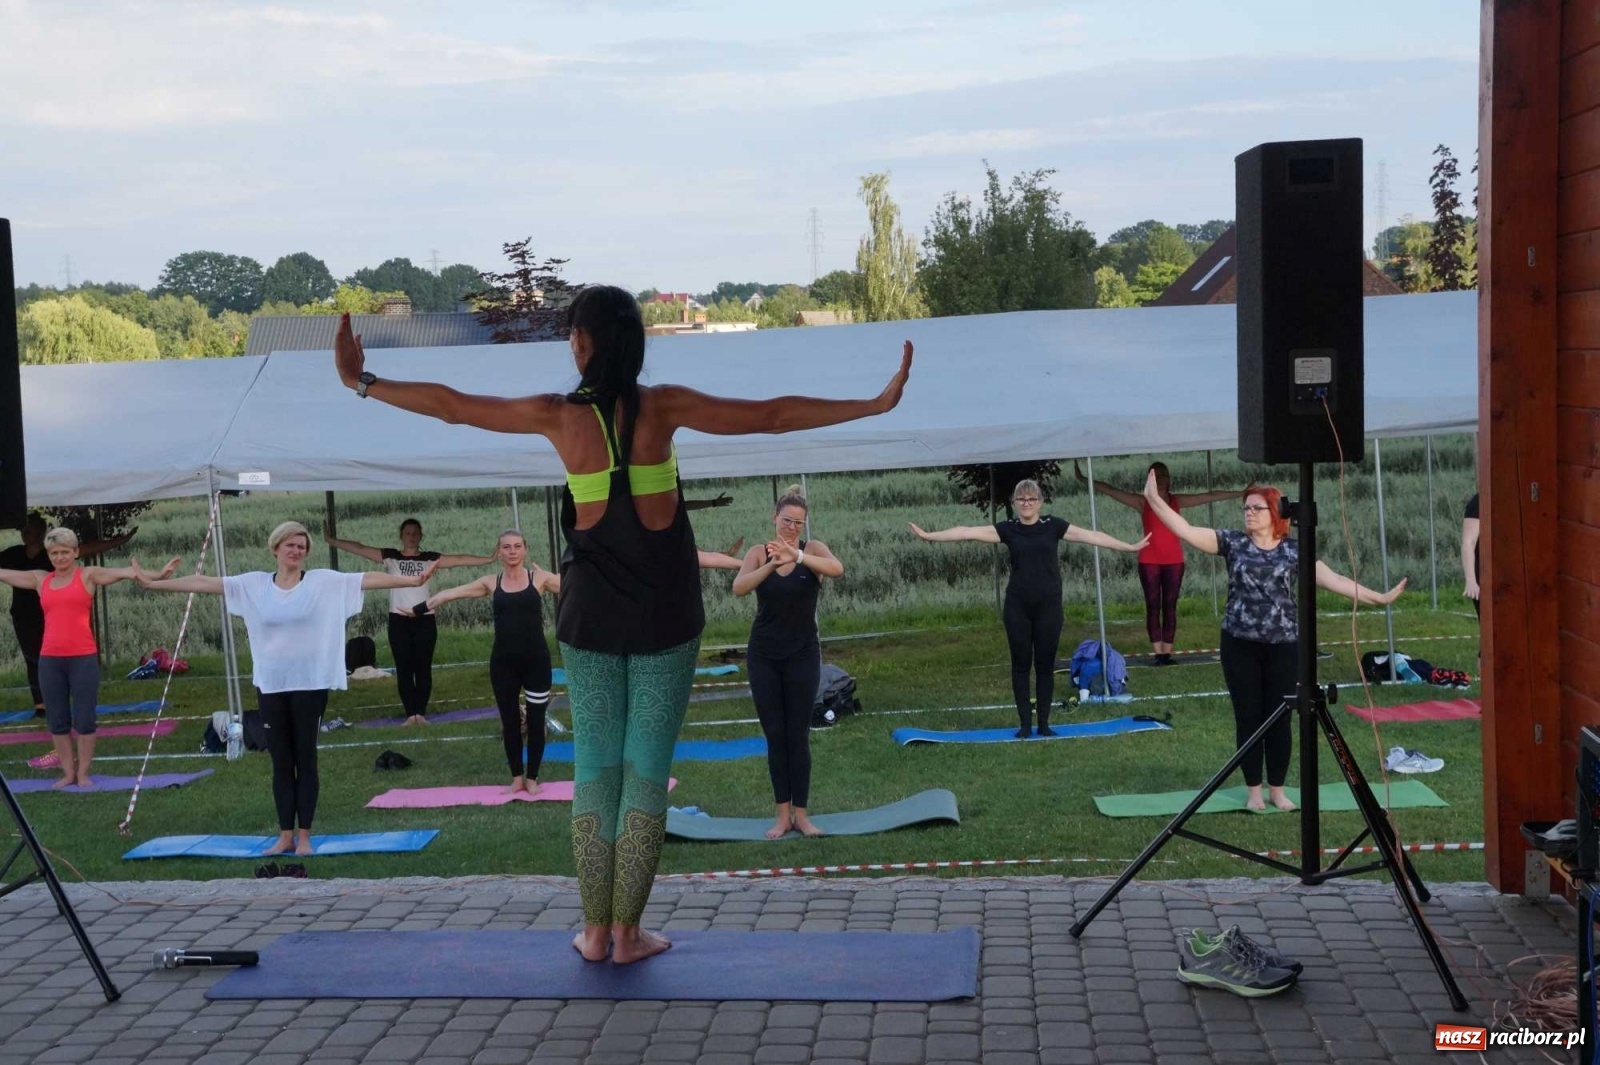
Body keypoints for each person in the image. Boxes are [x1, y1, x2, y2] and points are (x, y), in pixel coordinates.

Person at [333, 288, 910, 963]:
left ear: (582, 342)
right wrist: (873, 403)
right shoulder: (662, 407)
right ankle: (629, 934)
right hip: (667, 617)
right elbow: (773, 415)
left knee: (597, 771)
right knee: (645, 774)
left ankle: (597, 931)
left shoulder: (559, 416)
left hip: (589, 620)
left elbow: (454, 406)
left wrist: (362, 381)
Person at [132, 521, 435, 855]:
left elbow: (368, 579)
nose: (296, 551)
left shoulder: (322, 582)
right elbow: (204, 582)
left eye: (301, 546)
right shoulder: (254, 585)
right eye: (290, 545)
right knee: (281, 762)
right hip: (271, 686)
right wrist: (154, 583)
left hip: (310, 685)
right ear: (275, 548)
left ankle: (304, 837)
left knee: (305, 759)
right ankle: (285, 836)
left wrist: (412, 581)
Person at [1142, 472, 1406, 811]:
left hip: (1284, 646)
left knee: (1280, 718)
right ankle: (1254, 791)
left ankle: (1277, 790)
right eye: (1246, 508)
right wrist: (1154, 500)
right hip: (1239, 644)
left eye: (1257, 508)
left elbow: (1336, 580)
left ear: (1275, 513)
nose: (1249, 513)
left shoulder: (1294, 551)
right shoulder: (1233, 543)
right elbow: (1186, 530)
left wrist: (1379, 598)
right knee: (1248, 717)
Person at [910, 480, 1147, 738]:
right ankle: (1024, 724)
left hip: (1049, 607)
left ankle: (1043, 724)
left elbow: (1093, 536)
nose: (1026, 503)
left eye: (1031, 499)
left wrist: (1129, 547)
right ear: (1014, 503)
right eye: (1021, 499)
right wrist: (929, 536)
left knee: (1045, 666)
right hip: (1018, 607)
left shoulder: (1053, 525)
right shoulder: (1008, 529)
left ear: (1040, 502)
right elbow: (967, 532)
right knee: (1021, 665)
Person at [0, 529, 171, 788]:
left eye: (65, 552)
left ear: (76, 552)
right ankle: (68, 773)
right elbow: (5, 574)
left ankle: (83, 773)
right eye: (54, 553)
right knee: (57, 720)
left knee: (84, 719)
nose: (60, 557)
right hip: (50, 660)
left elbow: (125, 572)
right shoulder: (40, 579)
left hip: (82, 658)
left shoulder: (87, 576)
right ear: (49, 555)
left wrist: (157, 574)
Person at [732, 485, 843, 839]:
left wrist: (797, 556)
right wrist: (771, 564)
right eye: (787, 520)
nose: (792, 527)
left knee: (798, 736)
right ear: (775, 518)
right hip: (764, 656)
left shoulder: (813, 550)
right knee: (775, 736)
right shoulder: (758, 553)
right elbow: (739, 587)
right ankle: (782, 816)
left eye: (798, 522)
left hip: (802, 655)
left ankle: (802, 816)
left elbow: (837, 568)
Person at [414, 530, 560, 796]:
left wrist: (556, 575)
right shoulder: (491, 582)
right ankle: (516, 779)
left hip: (536, 661)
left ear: (525, 549)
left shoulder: (539, 578)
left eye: (517, 546)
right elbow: (450, 594)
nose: (512, 551)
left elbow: (578, 585)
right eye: (507, 547)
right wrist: (417, 610)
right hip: (503, 664)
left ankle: (532, 778)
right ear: (499, 551)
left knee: (536, 720)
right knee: (510, 721)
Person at [323, 518, 495, 726]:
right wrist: (332, 541)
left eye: (415, 533)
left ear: (420, 536)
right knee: (404, 668)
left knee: (423, 668)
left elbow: (459, 559)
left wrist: (488, 559)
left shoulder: (430, 558)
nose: (412, 537)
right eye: (408, 533)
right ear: (401, 536)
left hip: (425, 619)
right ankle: (409, 715)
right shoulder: (391, 557)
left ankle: (420, 714)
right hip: (398, 621)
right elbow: (360, 548)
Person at [1075, 461, 1243, 663]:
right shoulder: (1142, 502)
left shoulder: (1176, 501)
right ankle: (1158, 653)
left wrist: (1240, 493)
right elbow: (1111, 490)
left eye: (1164, 476)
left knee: (1170, 606)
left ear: (1169, 480)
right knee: (1153, 606)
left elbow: (1209, 496)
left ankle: (1167, 652)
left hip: (1174, 562)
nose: (1161, 480)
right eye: (1156, 476)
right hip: (1149, 561)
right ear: (1150, 479)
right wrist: (1084, 479)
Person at [1, 514, 136, 718]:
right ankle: (41, 704)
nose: (26, 534)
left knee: (63, 657)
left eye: (31, 530)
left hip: (54, 614)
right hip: (23, 615)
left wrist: (115, 542)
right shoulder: (14, 554)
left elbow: (86, 549)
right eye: (24, 530)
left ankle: (70, 696)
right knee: (33, 657)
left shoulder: (53, 553)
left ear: (42, 531)